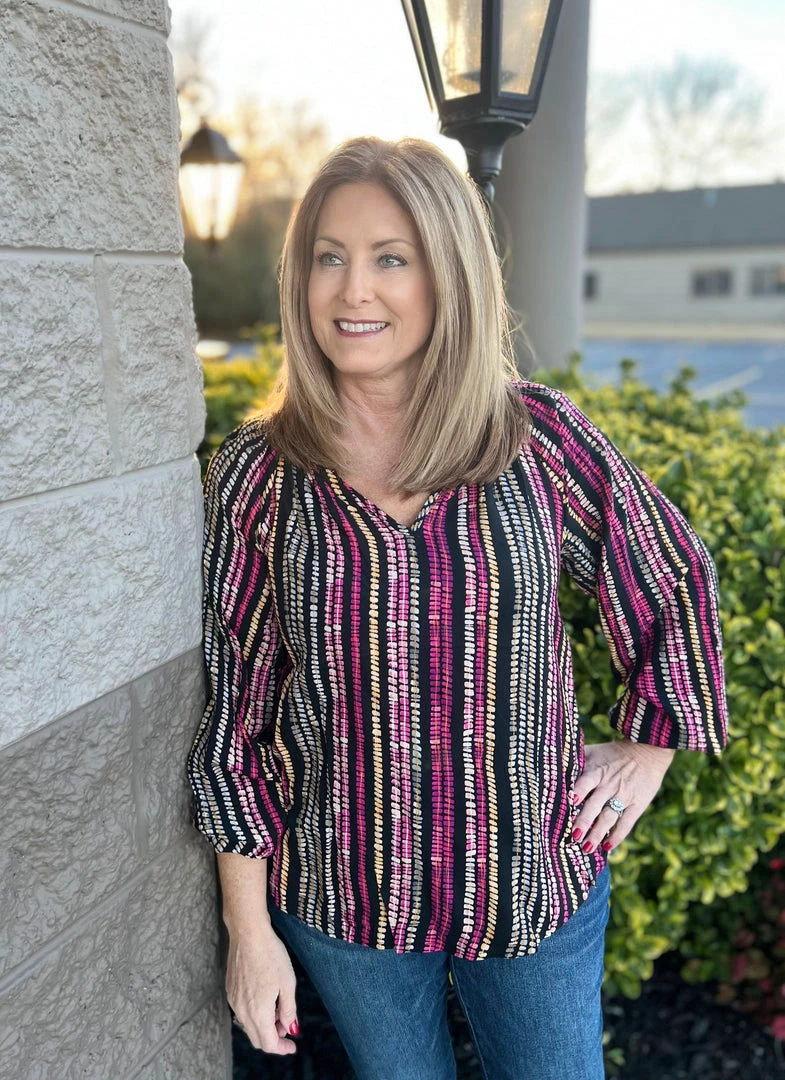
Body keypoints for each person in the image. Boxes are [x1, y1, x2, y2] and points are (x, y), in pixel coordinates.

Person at [187, 136, 728, 1080]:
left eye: (391, 258)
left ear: (449, 275)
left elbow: (669, 574)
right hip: (346, 902)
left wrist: (646, 751)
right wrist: (249, 931)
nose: (353, 289)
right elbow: (240, 710)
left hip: (532, 885)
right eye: (328, 256)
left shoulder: (534, 439)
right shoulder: (259, 474)